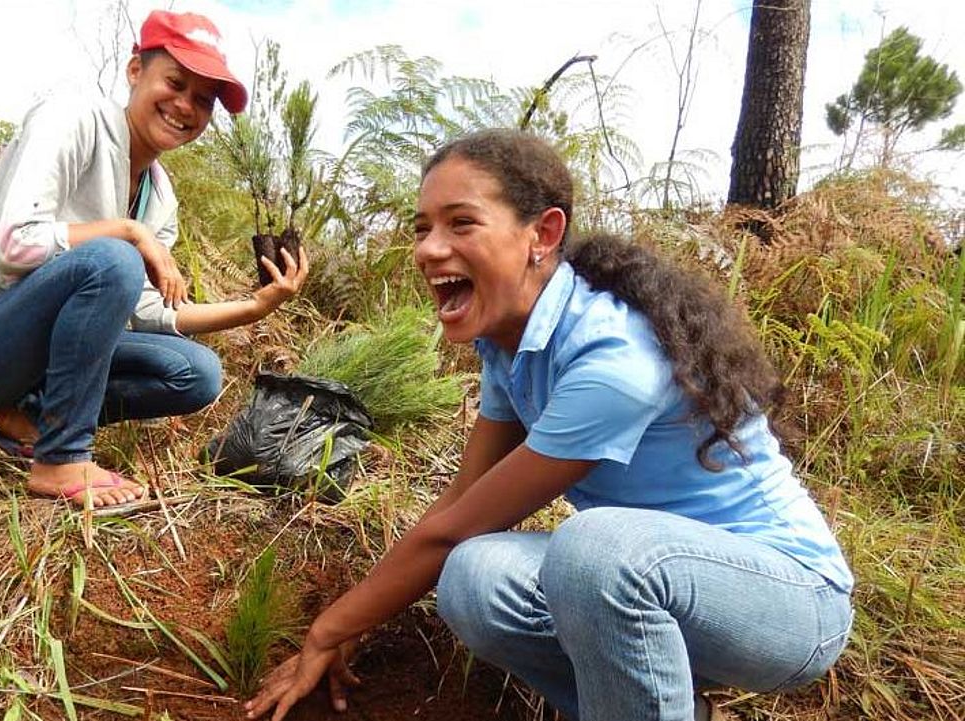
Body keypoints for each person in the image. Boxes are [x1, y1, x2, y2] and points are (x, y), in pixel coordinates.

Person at [246, 129, 852, 721]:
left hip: (791, 602)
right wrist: (353, 623)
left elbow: (455, 525)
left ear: (543, 233)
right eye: (423, 227)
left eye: (461, 222)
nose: (430, 248)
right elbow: (461, 507)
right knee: (472, 578)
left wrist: (331, 629)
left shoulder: (612, 356)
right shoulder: (510, 343)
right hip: (658, 589)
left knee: (593, 550)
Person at [0, 10, 309, 508]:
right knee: (114, 259)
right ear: (134, 71)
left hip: (30, 362)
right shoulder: (73, 117)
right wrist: (130, 233)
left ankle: (28, 419)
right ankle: (61, 460)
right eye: (175, 82)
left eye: (202, 99)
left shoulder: (159, 195)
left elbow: (145, 312)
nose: (185, 105)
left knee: (196, 373)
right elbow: (15, 245)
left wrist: (256, 306)